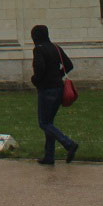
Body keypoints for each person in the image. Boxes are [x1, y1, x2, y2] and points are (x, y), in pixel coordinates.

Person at [30, 24, 78, 164]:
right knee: (49, 123)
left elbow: (40, 68)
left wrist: (35, 80)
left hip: (46, 89)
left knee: (44, 123)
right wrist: (58, 74)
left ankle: (69, 144)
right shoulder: (56, 48)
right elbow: (69, 65)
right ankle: (49, 156)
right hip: (59, 88)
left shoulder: (38, 50)